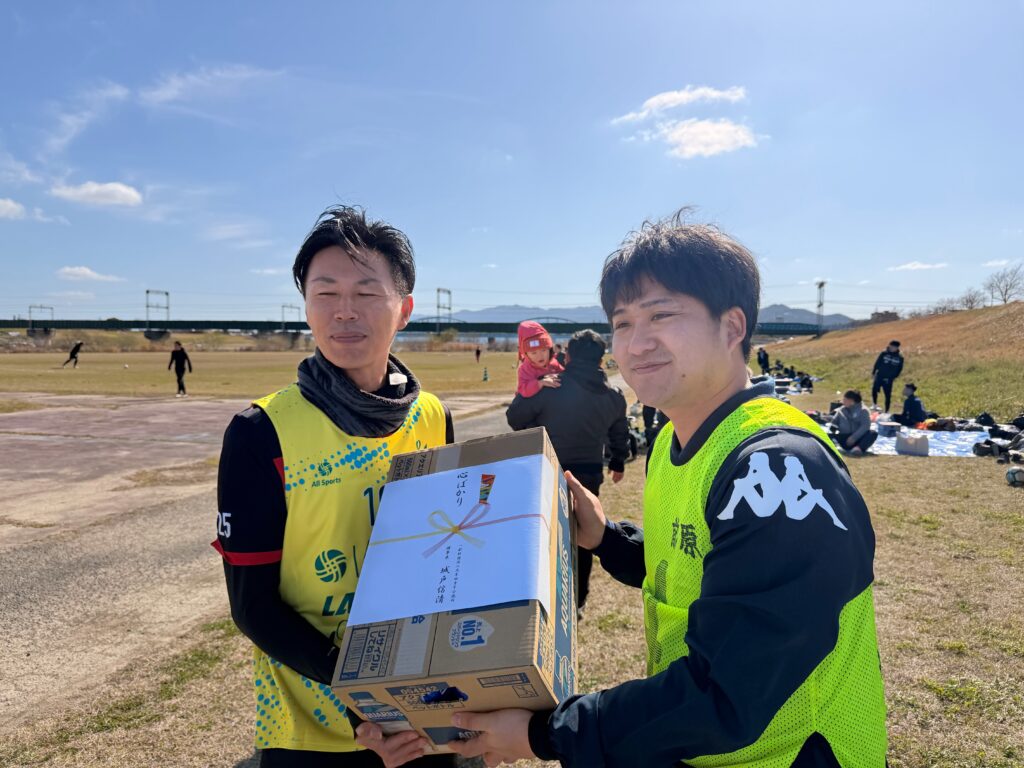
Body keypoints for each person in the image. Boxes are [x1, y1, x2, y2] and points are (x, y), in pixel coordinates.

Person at [447, 210, 888, 767]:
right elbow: (691, 570)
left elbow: (726, 692)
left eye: (662, 315)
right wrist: (606, 538)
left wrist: (546, 734)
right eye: (623, 323)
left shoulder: (775, 471)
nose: (636, 344)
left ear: (732, 327)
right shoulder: (673, 442)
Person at [214, 206, 473, 768]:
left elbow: (448, 556)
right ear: (306, 307)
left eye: (366, 292)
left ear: (404, 310)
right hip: (311, 723)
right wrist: (364, 696)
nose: (345, 311)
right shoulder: (261, 432)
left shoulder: (433, 416)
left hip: (422, 702)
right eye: (325, 293)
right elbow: (253, 607)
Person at [505, 328, 629, 613]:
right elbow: (619, 431)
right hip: (588, 476)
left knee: (542, 532)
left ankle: (541, 595)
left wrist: (533, 389)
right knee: (583, 535)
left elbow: (515, 418)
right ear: (601, 360)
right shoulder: (613, 395)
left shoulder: (551, 385)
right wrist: (618, 461)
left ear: (568, 356)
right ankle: (577, 599)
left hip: (548, 470)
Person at [516, 320, 564, 397]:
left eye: (543, 350)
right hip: (531, 403)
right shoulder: (525, 369)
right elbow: (522, 389)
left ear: (550, 349)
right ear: (526, 354)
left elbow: (565, 375)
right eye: (533, 353)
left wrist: (558, 375)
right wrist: (540, 383)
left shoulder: (554, 363)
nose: (540, 356)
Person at [829, 389, 877, 454]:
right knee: (826, 436)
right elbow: (834, 422)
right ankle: (835, 446)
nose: (843, 402)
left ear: (852, 401)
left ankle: (858, 449)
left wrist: (853, 437)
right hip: (844, 437)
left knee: (872, 433)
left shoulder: (863, 411)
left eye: (845, 400)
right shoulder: (842, 409)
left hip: (858, 439)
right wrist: (832, 427)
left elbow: (865, 426)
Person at [871, 340, 904, 412]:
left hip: (889, 378)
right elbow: (877, 363)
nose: (892, 348)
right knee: (874, 390)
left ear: (897, 348)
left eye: (894, 347)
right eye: (891, 346)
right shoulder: (884, 354)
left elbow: (900, 368)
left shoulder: (900, 357)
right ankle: (874, 405)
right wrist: (873, 373)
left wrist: (894, 376)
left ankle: (887, 410)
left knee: (888, 394)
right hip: (880, 375)